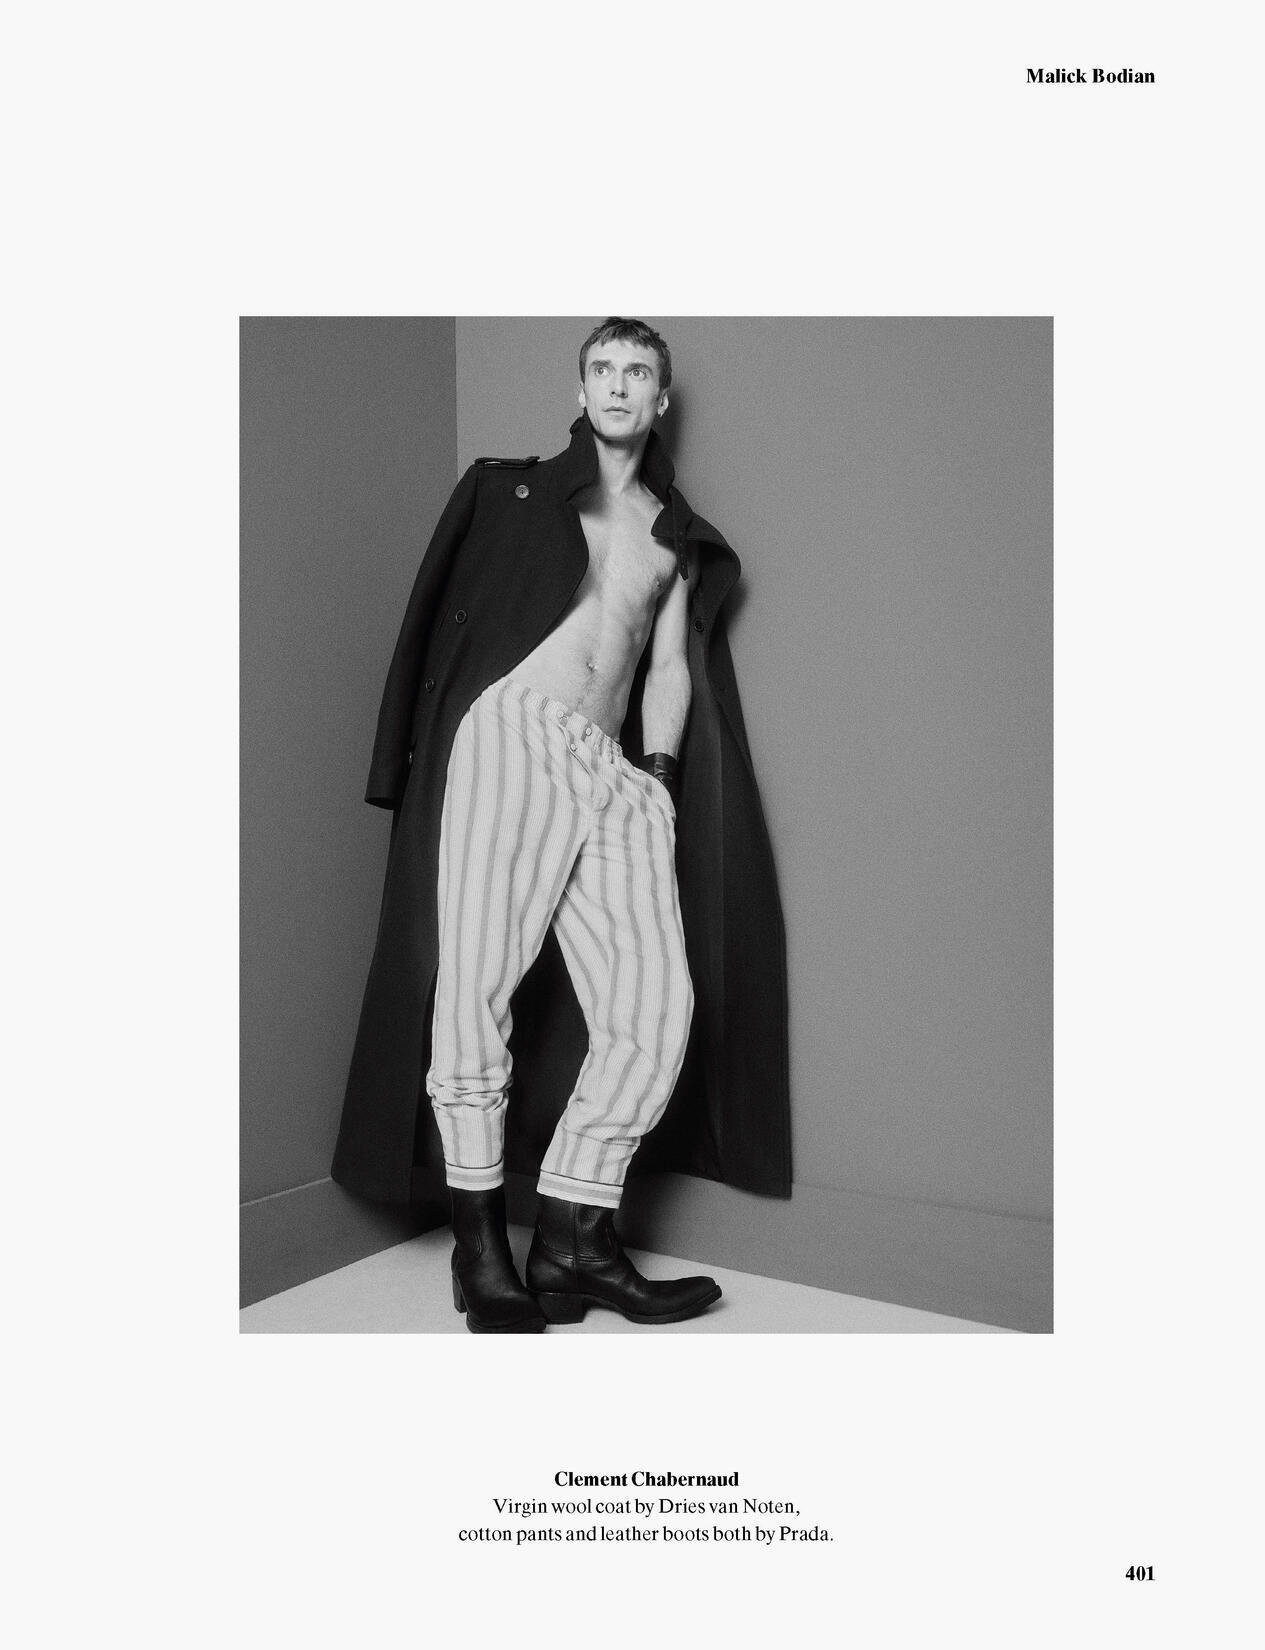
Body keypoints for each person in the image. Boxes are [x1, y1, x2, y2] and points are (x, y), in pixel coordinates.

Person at [332, 318, 791, 1332]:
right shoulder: (513, 492)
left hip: (612, 768)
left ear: (660, 399)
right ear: (579, 390)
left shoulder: (671, 534)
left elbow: (667, 667)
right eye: (602, 369)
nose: (619, 385)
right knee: (478, 985)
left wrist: (657, 781)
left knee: (656, 1005)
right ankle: (480, 1250)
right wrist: (402, 755)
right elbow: (430, 619)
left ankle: (575, 1243)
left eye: (638, 372)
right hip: (515, 730)